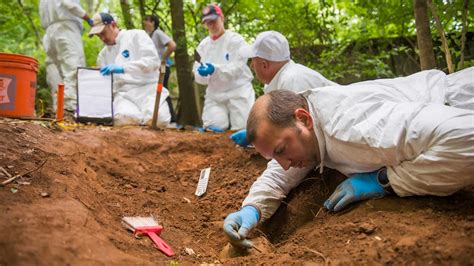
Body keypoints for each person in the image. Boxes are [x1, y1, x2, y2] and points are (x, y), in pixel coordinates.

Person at [223, 67, 474, 248]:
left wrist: (386, 180)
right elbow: (279, 173)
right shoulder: (309, 131)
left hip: (459, 102)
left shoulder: (357, 128)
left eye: (280, 151)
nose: (285, 164)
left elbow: (467, 137)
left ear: (304, 119)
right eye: (274, 156)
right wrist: (252, 209)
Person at [230, 31, 337, 146]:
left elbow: (297, 131)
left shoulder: (293, 81)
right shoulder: (283, 79)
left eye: (253, 61)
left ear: (264, 64)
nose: (251, 66)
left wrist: (258, 135)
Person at [89, 13, 171, 126]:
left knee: (158, 119)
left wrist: (123, 68)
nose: (102, 38)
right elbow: (105, 88)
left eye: (103, 33)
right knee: (124, 119)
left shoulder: (137, 35)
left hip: (149, 90)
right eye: (99, 36)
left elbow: (153, 62)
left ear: (113, 25)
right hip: (124, 95)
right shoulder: (103, 56)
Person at [193, 4, 255, 132]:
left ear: (222, 18)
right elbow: (198, 75)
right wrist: (200, 74)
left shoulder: (236, 40)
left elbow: (237, 68)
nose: (211, 25)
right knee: (212, 127)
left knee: (243, 129)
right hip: (215, 95)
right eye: (207, 23)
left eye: (214, 21)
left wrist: (214, 69)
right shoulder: (203, 46)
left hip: (238, 91)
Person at [39, 0, 93, 112]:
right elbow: (69, 3)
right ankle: (69, 109)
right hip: (66, 27)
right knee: (74, 68)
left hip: (49, 32)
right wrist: (87, 18)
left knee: (54, 68)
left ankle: (58, 109)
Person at [143, 14, 178, 123]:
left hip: (162, 68)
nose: (144, 22)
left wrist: (162, 60)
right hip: (154, 70)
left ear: (153, 22)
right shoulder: (149, 35)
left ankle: (172, 119)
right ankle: (164, 116)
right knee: (159, 91)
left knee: (162, 90)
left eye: (146, 20)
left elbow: (172, 45)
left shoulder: (158, 33)